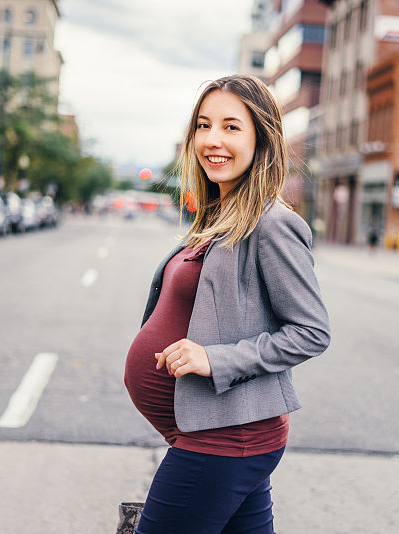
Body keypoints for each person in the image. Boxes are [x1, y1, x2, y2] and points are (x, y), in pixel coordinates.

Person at [123, 74, 331, 534]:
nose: (212, 140)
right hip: (219, 434)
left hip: (223, 439)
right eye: (203, 125)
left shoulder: (272, 224)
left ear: (261, 138)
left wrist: (213, 359)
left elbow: (311, 331)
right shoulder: (220, 215)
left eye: (231, 127)